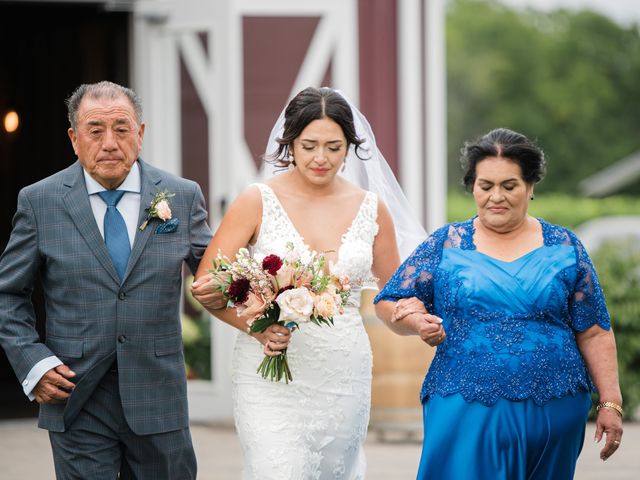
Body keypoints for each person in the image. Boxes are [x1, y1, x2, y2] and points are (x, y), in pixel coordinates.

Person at [191, 86, 425, 479]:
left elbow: (391, 296)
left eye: (334, 147)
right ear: (291, 143)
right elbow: (208, 287)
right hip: (268, 371)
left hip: (343, 372)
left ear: (349, 146)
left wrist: (412, 319)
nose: (321, 158)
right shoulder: (257, 201)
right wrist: (257, 328)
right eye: (309, 145)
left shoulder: (371, 208)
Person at [374, 128, 624, 479]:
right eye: (485, 186)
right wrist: (415, 321)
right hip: (464, 404)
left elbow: (595, 331)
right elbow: (390, 302)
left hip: (555, 408)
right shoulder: (446, 244)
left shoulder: (565, 247)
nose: (496, 197)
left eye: (509, 186)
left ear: (530, 186)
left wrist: (611, 402)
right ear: (472, 186)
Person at [0, 81, 211, 479]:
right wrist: (34, 363)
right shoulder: (39, 201)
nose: (110, 142)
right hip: (75, 395)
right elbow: (7, 295)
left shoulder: (181, 196)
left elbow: (221, 275)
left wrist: (272, 305)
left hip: (158, 395)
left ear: (141, 134)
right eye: (96, 130)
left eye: (122, 128)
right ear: (74, 139)